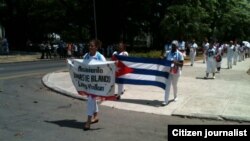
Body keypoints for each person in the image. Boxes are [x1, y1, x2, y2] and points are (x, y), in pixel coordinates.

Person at [83, 39, 106, 130]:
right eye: (89, 45)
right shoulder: (86, 56)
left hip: (97, 83)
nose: (90, 47)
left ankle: (88, 121)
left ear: (96, 47)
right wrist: (71, 63)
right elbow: (81, 67)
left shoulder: (100, 57)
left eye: (92, 46)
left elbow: (106, 68)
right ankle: (95, 116)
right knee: (92, 99)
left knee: (90, 99)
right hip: (88, 82)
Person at [162, 40, 184, 106]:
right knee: (167, 86)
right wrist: (161, 58)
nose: (173, 46)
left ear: (177, 46)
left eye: (174, 45)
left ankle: (175, 96)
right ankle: (165, 101)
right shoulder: (168, 53)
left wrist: (175, 62)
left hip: (176, 72)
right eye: (172, 45)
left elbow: (181, 64)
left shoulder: (179, 54)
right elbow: (164, 59)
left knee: (174, 85)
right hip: (168, 71)